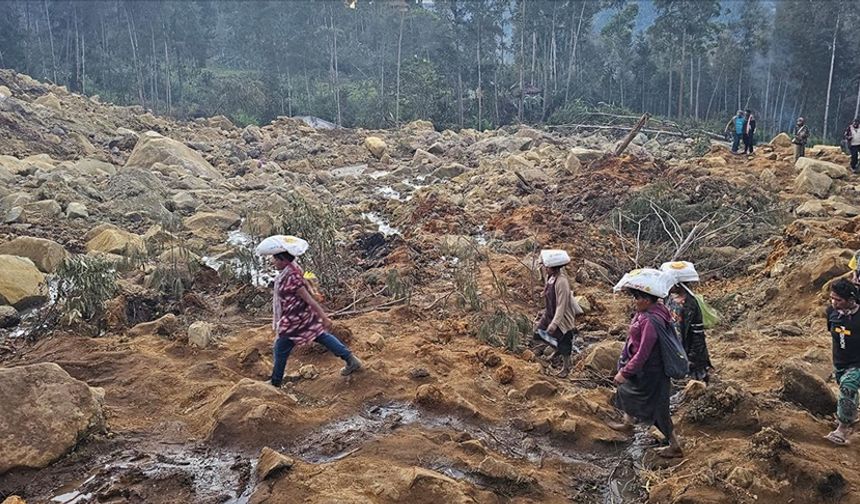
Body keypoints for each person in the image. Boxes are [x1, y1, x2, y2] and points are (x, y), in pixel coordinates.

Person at [255, 235, 362, 387]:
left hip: (295, 321)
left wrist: (324, 318)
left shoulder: (292, 277)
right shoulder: (291, 271)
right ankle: (351, 360)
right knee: (321, 336)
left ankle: (275, 382)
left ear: (283, 260)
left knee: (280, 348)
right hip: (303, 316)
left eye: (275, 259)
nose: (273, 262)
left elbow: (309, 299)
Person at [609, 269, 683, 458]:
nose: (634, 301)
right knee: (625, 391)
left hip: (651, 372)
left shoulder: (651, 320)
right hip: (643, 370)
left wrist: (625, 372)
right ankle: (628, 423)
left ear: (647, 299)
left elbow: (643, 352)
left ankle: (675, 446)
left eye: (637, 298)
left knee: (658, 410)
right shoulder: (647, 312)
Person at [824, 279, 860, 446]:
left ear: (850, 300)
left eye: (838, 299)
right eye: (832, 298)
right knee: (846, 387)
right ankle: (852, 414)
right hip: (840, 362)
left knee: (848, 385)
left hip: (857, 363)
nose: (834, 302)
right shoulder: (831, 312)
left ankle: (842, 429)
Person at [535, 249, 580, 378]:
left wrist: (555, 323)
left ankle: (566, 368)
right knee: (539, 334)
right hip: (550, 313)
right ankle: (556, 350)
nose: (545, 269)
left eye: (547, 267)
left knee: (564, 342)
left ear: (553, 268)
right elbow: (548, 291)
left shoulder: (562, 282)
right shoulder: (550, 277)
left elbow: (562, 305)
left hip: (562, 318)